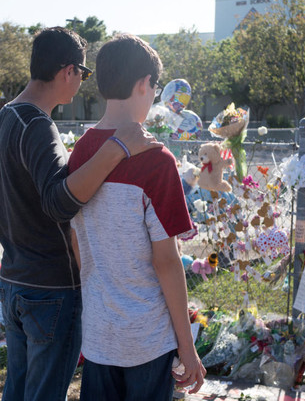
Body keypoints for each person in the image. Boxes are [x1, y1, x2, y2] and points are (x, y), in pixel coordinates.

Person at [0, 27, 162, 401]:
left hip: (15, 280)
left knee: (17, 391)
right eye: (82, 74)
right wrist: (116, 149)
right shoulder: (37, 125)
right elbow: (57, 202)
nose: (82, 84)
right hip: (51, 287)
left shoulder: (4, 117)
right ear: (68, 70)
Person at [68, 34, 206, 401]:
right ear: (145, 84)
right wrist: (187, 346)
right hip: (147, 339)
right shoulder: (156, 161)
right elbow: (166, 261)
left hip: (99, 335)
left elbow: (76, 241)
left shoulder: (80, 153)